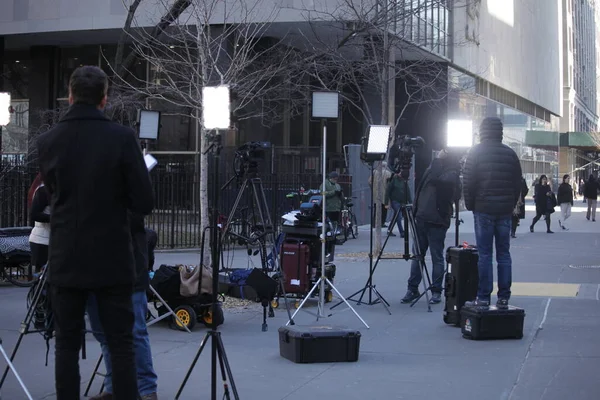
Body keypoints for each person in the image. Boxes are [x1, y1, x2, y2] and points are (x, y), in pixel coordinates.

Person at [36, 66, 154, 400]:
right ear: (105, 98)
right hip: (112, 258)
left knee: (66, 345)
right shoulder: (122, 138)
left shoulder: (48, 141)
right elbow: (144, 201)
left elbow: (53, 194)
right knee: (121, 345)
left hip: (67, 258)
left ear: (70, 96)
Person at [87, 213, 159, 400]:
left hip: (128, 272)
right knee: (103, 333)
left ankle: (146, 388)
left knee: (135, 332)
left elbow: (136, 214)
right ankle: (113, 386)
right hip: (94, 273)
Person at [462, 117, 522, 309]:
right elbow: (517, 183)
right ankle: (504, 297)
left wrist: (471, 204)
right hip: (504, 210)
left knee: (485, 254)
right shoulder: (510, 154)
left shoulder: (475, 152)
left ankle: (484, 296)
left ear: (482, 131)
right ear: (500, 132)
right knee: (504, 254)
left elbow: (468, 182)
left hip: (483, 209)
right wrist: (510, 204)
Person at [400, 148, 461, 305]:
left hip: (437, 222)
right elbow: (422, 187)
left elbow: (438, 181)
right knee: (417, 257)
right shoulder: (434, 169)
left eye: (443, 153)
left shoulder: (451, 174)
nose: (440, 154)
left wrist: (438, 160)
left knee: (436, 258)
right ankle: (412, 288)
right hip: (421, 219)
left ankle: (436, 291)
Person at [28, 179, 51, 274]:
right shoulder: (43, 191)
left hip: (55, 241)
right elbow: (34, 214)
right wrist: (56, 218)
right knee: (42, 277)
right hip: (42, 241)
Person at [384, 172, 412, 237]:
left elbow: (408, 192)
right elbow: (387, 192)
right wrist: (386, 203)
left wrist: (410, 202)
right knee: (398, 215)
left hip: (402, 202)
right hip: (395, 201)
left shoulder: (404, 180)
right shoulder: (393, 180)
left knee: (396, 216)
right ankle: (402, 232)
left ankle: (389, 230)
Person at [368, 161, 392, 227]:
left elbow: (369, 182)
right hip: (385, 194)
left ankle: (374, 223)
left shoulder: (374, 172)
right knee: (384, 209)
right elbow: (390, 184)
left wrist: (372, 188)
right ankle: (382, 222)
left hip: (376, 193)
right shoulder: (388, 173)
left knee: (376, 209)